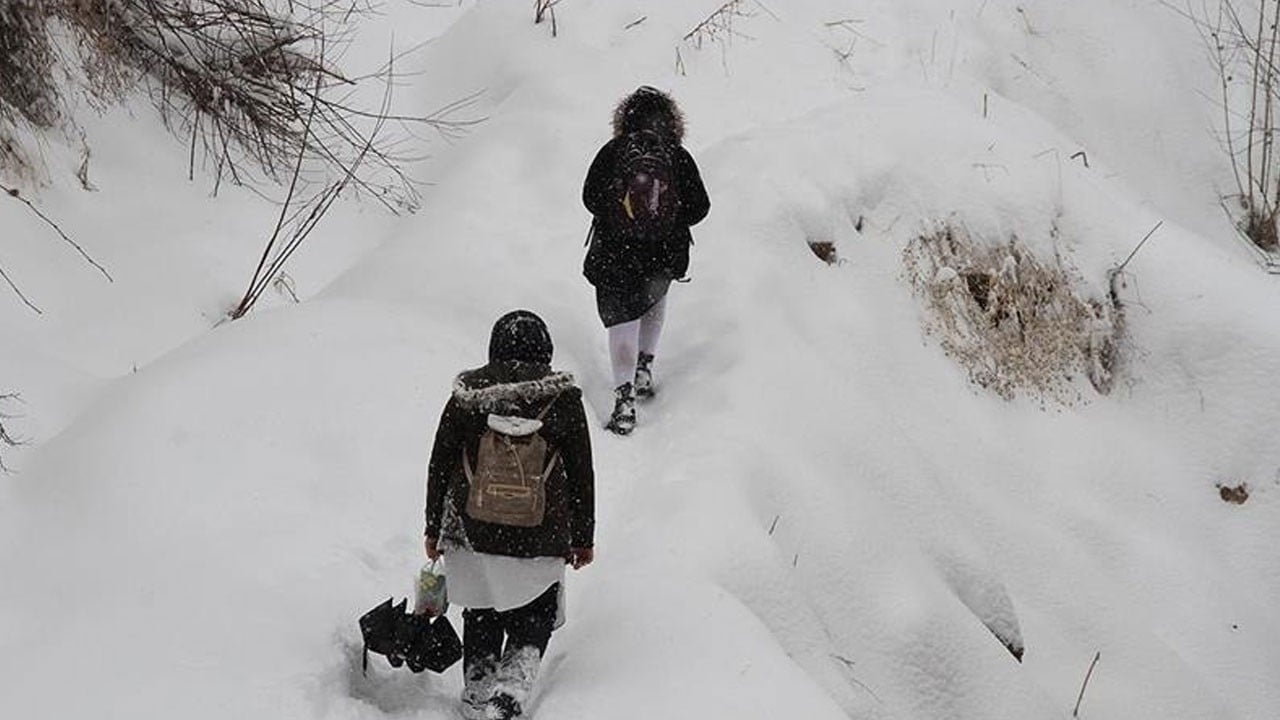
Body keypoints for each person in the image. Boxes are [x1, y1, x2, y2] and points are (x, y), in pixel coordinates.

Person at [424, 310, 595, 720]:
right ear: (546, 350)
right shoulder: (563, 400)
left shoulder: (468, 396)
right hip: (540, 531)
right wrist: (583, 537)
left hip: (472, 528)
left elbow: (440, 462)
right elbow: (581, 472)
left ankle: (478, 690)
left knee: (481, 607)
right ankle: (509, 693)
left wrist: (433, 527)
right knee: (535, 611)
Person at [582, 85, 710, 435]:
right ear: (671, 121)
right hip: (661, 254)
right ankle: (644, 367)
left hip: (614, 254)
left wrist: (619, 216)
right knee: (653, 300)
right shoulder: (677, 155)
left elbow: (590, 197)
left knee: (621, 322)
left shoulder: (613, 151)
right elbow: (700, 207)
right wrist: (666, 219)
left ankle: (624, 399)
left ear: (625, 119)